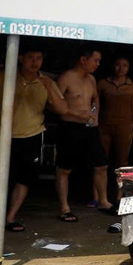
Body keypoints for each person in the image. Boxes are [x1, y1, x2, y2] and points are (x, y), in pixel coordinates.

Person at [0, 47, 67, 233]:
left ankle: (10, 218)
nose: (35, 62)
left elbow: (63, 109)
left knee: (24, 179)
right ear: (20, 58)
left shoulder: (47, 81)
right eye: (31, 58)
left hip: (32, 135)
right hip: (3, 135)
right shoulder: (4, 75)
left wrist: (48, 87)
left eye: (39, 58)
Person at [55, 46, 111, 221]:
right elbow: (52, 104)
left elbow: (95, 98)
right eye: (96, 60)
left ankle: (104, 200)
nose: (98, 64)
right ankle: (64, 207)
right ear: (83, 60)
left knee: (101, 165)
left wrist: (94, 114)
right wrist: (74, 113)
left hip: (89, 127)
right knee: (65, 169)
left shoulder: (92, 79)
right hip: (70, 126)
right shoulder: (66, 78)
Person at [98, 56, 133, 198]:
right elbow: (97, 105)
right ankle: (98, 197)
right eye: (117, 64)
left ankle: (119, 196)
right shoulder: (103, 84)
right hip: (104, 125)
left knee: (122, 161)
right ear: (112, 66)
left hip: (124, 126)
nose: (121, 68)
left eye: (125, 65)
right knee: (101, 161)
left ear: (129, 68)